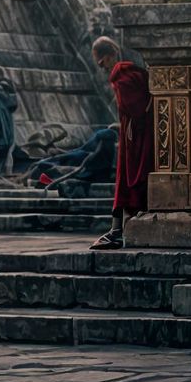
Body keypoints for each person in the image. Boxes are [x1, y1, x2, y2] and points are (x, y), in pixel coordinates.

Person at [91, 36, 152, 249]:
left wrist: (126, 123)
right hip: (137, 133)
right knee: (127, 179)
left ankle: (118, 230)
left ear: (108, 56)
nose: (102, 67)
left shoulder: (121, 76)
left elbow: (135, 109)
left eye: (101, 62)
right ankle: (118, 228)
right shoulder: (133, 72)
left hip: (134, 136)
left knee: (128, 179)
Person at [32, 126, 116, 199]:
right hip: (85, 171)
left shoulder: (106, 151)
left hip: (91, 174)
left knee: (56, 170)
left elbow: (82, 168)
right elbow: (80, 165)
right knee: (51, 168)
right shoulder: (91, 154)